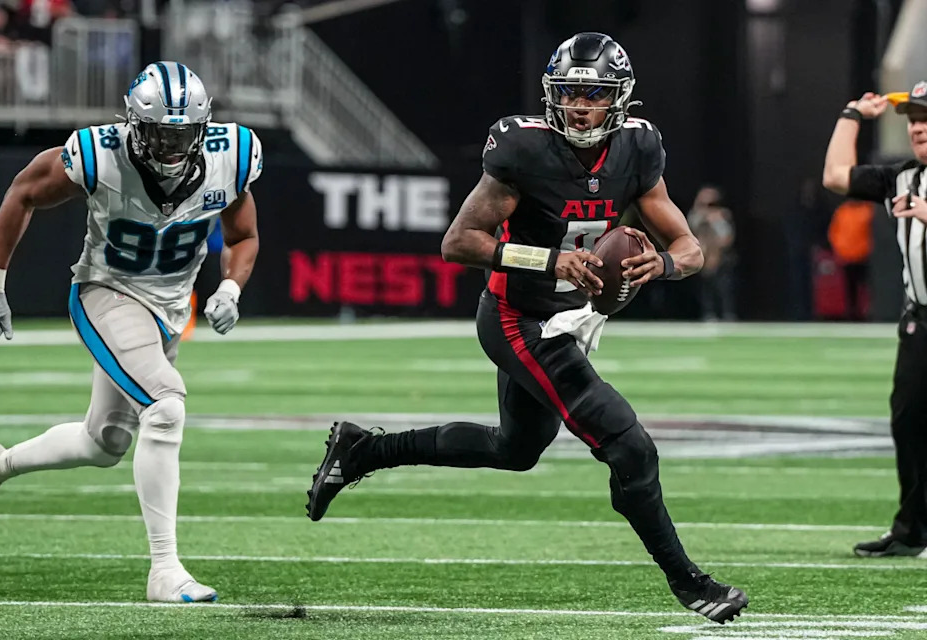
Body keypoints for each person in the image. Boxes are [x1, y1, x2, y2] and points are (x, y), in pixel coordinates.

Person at [306, 32, 749, 624]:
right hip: (518, 317)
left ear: (619, 99)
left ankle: (363, 451)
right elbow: (458, 242)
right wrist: (547, 259)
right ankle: (689, 581)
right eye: (569, 94)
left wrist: (665, 264)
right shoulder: (525, 150)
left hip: (568, 318)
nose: (579, 107)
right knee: (630, 446)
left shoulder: (638, 148)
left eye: (594, 95)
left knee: (514, 450)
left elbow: (690, 247)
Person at [0, 61, 263, 600]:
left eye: (183, 134)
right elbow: (22, 193)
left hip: (172, 303)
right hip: (107, 291)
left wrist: (230, 288)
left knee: (103, 442)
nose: (173, 147)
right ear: (133, 125)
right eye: (160, 133)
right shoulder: (98, 153)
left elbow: (243, 235)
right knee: (166, 404)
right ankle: (165, 569)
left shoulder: (232, 156)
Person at [823, 83, 927, 557]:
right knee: (907, 423)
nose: (919, 127)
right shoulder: (902, 178)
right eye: (914, 119)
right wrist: (853, 115)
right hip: (920, 324)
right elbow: (836, 176)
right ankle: (911, 530)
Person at [687, 186, 737, 321]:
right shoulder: (695, 216)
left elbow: (727, 238)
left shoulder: (723, 216)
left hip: (722, 257)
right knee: (705, 290)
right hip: (703, 257)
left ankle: (727, 314)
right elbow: (690, 231)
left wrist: (717, 220)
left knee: (724, 288)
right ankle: (708, 313)